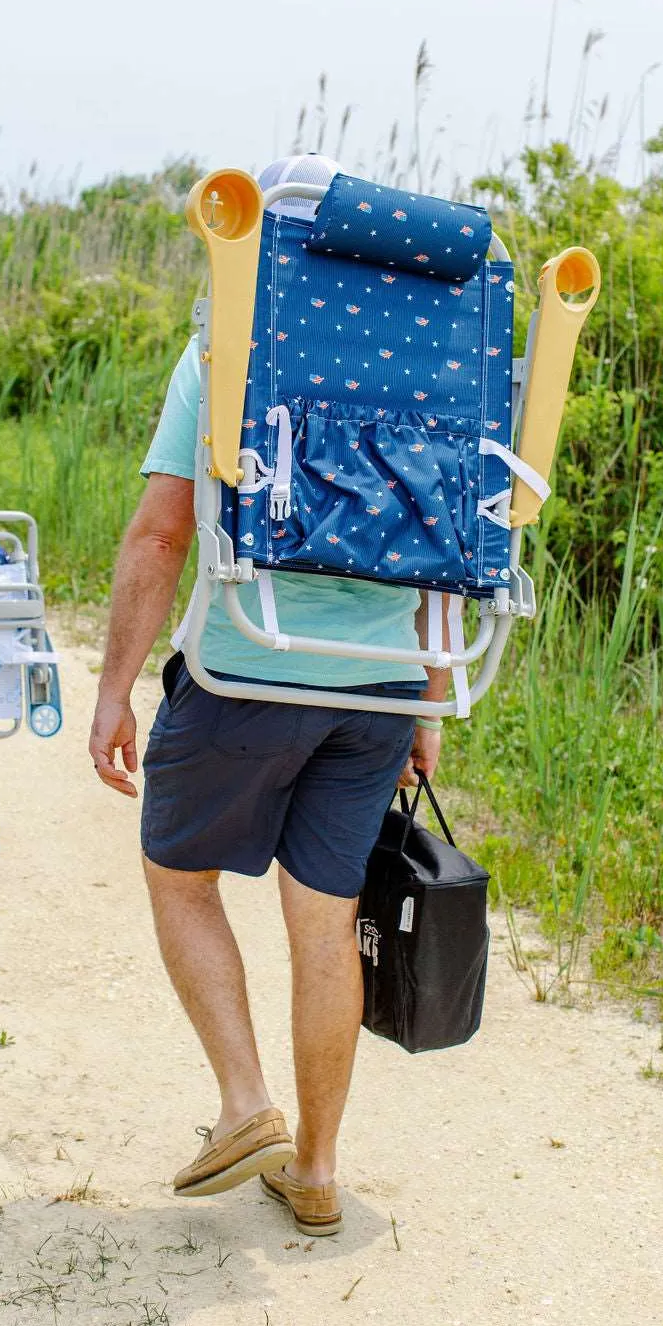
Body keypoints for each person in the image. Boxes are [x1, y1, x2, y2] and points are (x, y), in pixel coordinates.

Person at [89, 155, 447, 1239]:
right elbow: (448, 550)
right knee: (325, 922)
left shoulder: (228, 345)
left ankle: (248, 1107)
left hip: (248, 667)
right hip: (376, 693)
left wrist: (112, 690)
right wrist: (428, 700)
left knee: (180, 876)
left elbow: (162, 532)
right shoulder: (431, 364)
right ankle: (321, 1171)